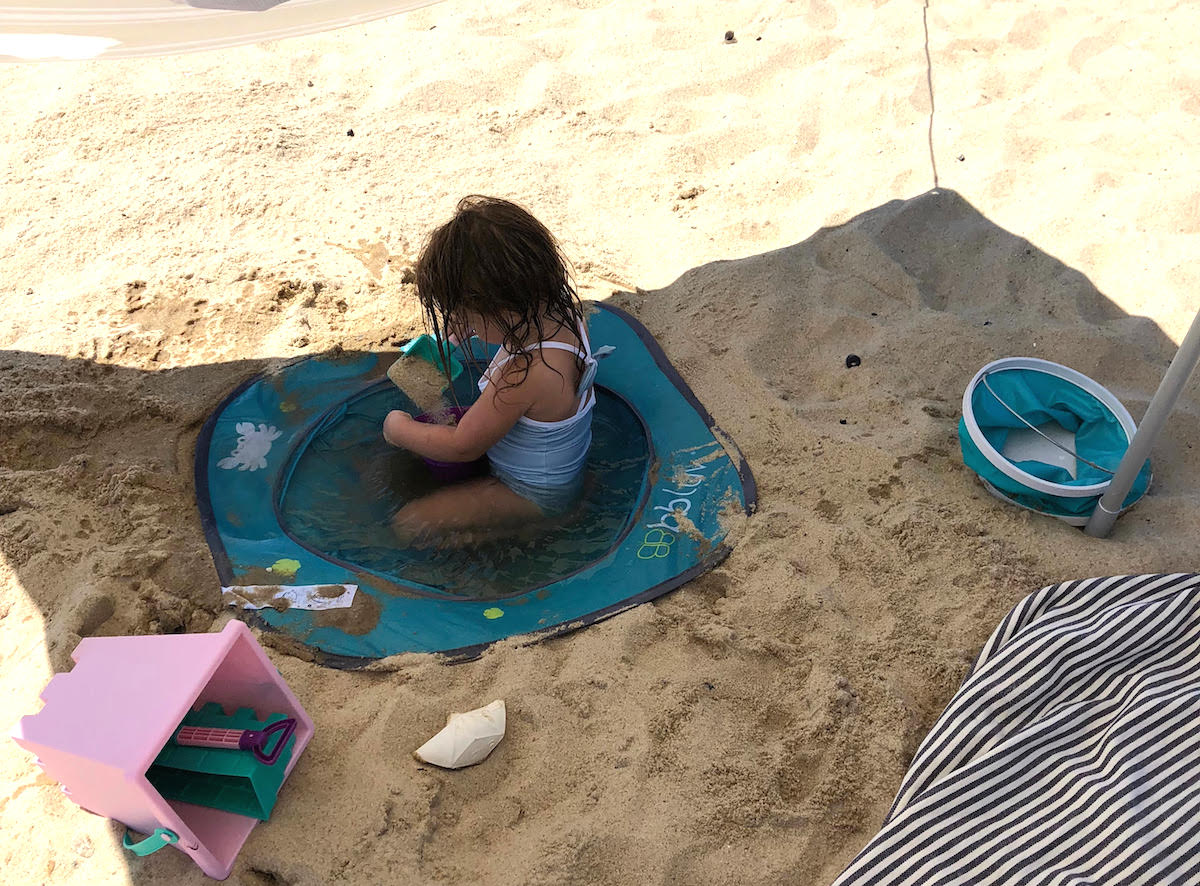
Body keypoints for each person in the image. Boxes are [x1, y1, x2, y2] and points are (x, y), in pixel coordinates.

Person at [382, 195, 597, 543]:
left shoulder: (523, 375)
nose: (463, 324)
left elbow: (462, 447)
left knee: (409, 522)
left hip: (531, 495)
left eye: (467, 315)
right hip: (557, 472)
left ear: (501, 308)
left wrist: (398, 429)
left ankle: (526, 530)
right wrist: (469, 321)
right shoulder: (564, 317)